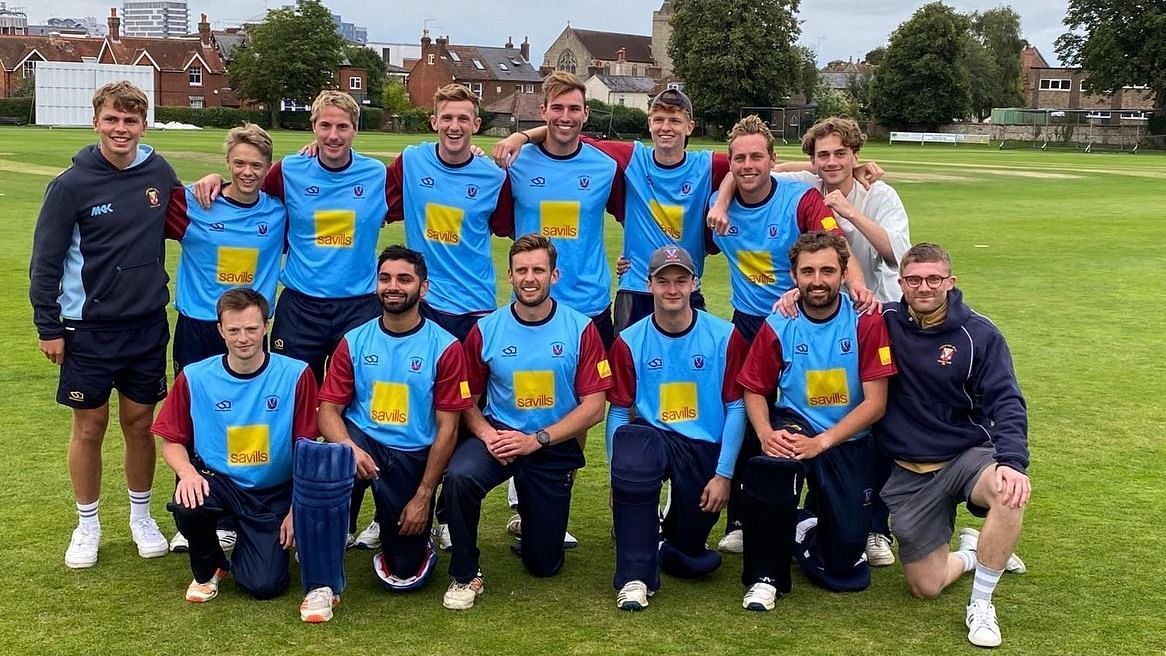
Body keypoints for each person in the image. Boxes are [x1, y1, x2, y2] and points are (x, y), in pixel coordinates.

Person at [723, 117, 911, 565]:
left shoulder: (878, 194)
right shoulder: (806, 180)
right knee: (764, 415)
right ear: (811, 160)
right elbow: (758, 166)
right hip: (805, 310)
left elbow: (893, 253)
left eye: (840, 154)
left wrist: (849, 218)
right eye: (822, 154)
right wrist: (726, 194)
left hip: (868, 309)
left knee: (873, 420)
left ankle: (874, 525)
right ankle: (745, 518)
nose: (830, 161)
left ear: (855, 156)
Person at [30, 80, 182, 569]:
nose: (121, 128)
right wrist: (48, 326)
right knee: (90, 426)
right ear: (96, 121)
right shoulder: (71, 184)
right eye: (112, 119)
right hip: (86, 328)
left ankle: (141, 517)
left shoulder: (159, 170)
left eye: (131, 120)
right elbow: (46, 263)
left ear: (143, 124)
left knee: (139, 425)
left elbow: (190, 217)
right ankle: (87, 523)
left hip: (144, 324)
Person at [369, 84, 511, 554]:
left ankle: (449, 514)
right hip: (422, 305)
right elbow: (364, 187)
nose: (454, 126)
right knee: (407, 410)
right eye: (446, 117)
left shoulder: (492, 176)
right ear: (434, 121)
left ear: (476, 125)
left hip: (473, 311)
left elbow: (522, 223)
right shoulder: (410, 162)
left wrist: (524, 138)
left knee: (463, 412)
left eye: (463, 119)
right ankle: (388, 507)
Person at [297, 246, 472, 622]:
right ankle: (323, 574)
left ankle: (414, 532)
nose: (393, 287)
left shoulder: (446, 347)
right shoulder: (354, 340)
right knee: (325, 457)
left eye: (404, 279)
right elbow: (327, 410)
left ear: (423, 288)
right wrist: (348, 448)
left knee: (405, 574)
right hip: (364, 443)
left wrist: (424, 496)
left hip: (412, 456)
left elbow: (448, 428)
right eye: (385, 278)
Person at [440, 234, 612, 610]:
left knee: (543, 565)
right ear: (510, 276)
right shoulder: (487, 329)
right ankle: (466, 572)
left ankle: (532, 523)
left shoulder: (581, 328)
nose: (529, 278)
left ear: (555, 275)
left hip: (550, 442)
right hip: (500, 436)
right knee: (459, 477)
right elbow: (465, 396)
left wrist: (537, 439)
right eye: (521, 270)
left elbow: (594, 407)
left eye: (538, 269)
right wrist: (486, 434)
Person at [875, 242, 1029, 648]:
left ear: (950, 281)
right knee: (925, 586)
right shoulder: (883, 321)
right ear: (901, 283)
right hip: (910, 470)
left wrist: (1012, 462)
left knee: (1009, 493)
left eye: (933, 279)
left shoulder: (980, 334)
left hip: (966, 456)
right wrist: (789, 298)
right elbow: (834, 306)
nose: (924, 287)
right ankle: (973, 552)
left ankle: (981, 604)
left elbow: (1007, 401)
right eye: (914, 279)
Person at [735, 231, 896, 611]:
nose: (817, 280)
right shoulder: (780, 321)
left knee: (844, 571)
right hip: (797, 423)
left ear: (843, 274)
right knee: (772, 466)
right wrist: (764, 433)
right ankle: (764, 577)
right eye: (808, 272)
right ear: (793, 276)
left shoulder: (865, 321)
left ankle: (802, 524)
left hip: (848, 436)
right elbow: (754, 389)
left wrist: (822, 443)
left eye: (827, 270)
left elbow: (876, 404)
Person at [195, 90, 390, 383]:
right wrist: (216, 180)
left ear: (355, 129)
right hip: (301, 307)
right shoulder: (289, 169)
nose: (333, 135)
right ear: (314, 127)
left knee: (355, 400)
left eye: (342, 127)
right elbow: (250, 193)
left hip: (358, 307)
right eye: (325, 126)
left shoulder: (377, 174)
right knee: (292, 396)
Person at [494, 88, 727, 332]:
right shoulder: (632, 158)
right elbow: (567, 132)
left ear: (690, 126)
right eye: (659, 120)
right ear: (649, 123)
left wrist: (721, 203)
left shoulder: (708, 164)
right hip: (635, 288)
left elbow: (747, 166)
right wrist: (520, 137)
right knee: (626, 365)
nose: (665, 127)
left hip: (686, 286)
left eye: (675, 121)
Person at [164, 123, 288, 553]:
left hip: (250, 332)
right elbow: (147, 201)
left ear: (268, 168)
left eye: (256, 165)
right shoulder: (195, 202)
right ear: (226, 163)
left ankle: (240, 510)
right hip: (199, 327)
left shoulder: (277, 213)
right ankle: (196, 508)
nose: (247, 172)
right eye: (238, 163)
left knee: (248, 418)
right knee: (197, 419)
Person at [606, 245, 749, 611]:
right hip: (653, 439)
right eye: (664, 281)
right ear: (649, 284)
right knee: (636, 453)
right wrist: (617, 474)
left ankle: (669, 540)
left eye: (681, 281)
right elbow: (620, 413)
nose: (673, 289)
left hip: (702, 448)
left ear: (694, 283)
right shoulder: (628, 341)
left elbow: (736, 407)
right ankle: (634, 578)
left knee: (689, 553)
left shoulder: (725, 336)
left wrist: (723, 475)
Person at [152, 288, 317, 603]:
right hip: (220, 483)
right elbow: (171, 440)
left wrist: (298, 509)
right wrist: (187, 473)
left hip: (273, 492)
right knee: (189, 502)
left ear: (265, 327)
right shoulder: (195, 377)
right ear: (220, 330)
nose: (244, 338)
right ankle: (210, 567)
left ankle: (254, 548)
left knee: (264, 585)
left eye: (252, 329)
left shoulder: (297, 374)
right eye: (234, 330)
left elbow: (306, 448)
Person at [497, 71, 623, 349]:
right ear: (543, 111)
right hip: (530, 304)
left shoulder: (606, 165)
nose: (565, 116)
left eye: (574, 109)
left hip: (589, 306)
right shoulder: (515, 162)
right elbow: (500, 225)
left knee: (593, 393)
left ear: (586, 114)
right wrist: (522, 137)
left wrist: (633, 257)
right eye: (557, 107)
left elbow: (634, 213)